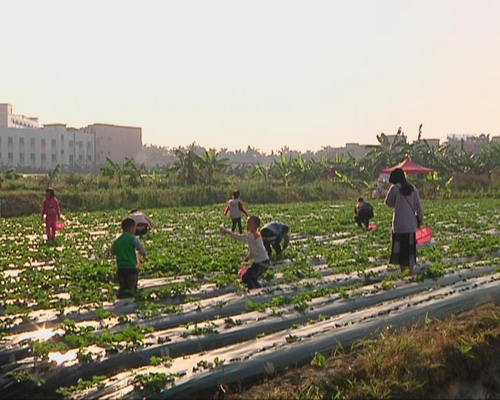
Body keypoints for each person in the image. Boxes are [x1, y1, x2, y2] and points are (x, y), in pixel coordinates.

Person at [384, 168, 424, 275]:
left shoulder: (394, 189)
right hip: (411, 225)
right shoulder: (412, 188)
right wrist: (420, 219)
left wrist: (397, 204)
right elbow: (418, 207)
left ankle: (404, 274)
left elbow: (388, 203)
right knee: (410, 253)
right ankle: (410, 274)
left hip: (399, 225)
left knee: (401, 254)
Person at [220, 215, 270, 289]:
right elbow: (255, 251)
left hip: (260, 263)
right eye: (247, 222)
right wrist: (247, 258)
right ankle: (258, 290)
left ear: (256, 225)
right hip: (264, 262)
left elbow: (240, 237)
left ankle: (254, 291)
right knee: (252, 277)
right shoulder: (255, 235)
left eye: (250, 222)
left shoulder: (253, 235)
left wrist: (228, 232)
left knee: (245, 277)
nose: (247, 224)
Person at [111, 218, 147, 298]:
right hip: (131, 268)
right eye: (134, 228)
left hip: (121, 268)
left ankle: (120, 295)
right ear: (131, 228)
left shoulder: (117, 241)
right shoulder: (132, 239)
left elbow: (112, 252)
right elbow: (141, 248)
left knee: (123, 288)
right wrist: (144, 254)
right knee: (132, 288)